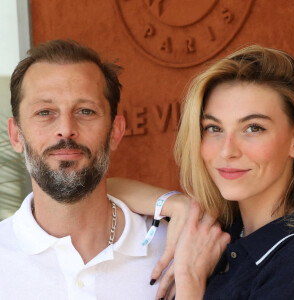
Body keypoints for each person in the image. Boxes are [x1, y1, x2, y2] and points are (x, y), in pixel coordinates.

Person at [108, 45, 294, 299]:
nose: (227, 151)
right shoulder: (220, 230)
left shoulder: (292, 261)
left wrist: (190, 282)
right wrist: (180, 206)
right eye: (214, 128)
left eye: (253, 128)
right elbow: (104, 189)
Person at [0, 39, 168, 299]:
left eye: (86, 111)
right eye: (45, 112)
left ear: (115, 132)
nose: (66, 129)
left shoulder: (174, 247)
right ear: (16, 135)